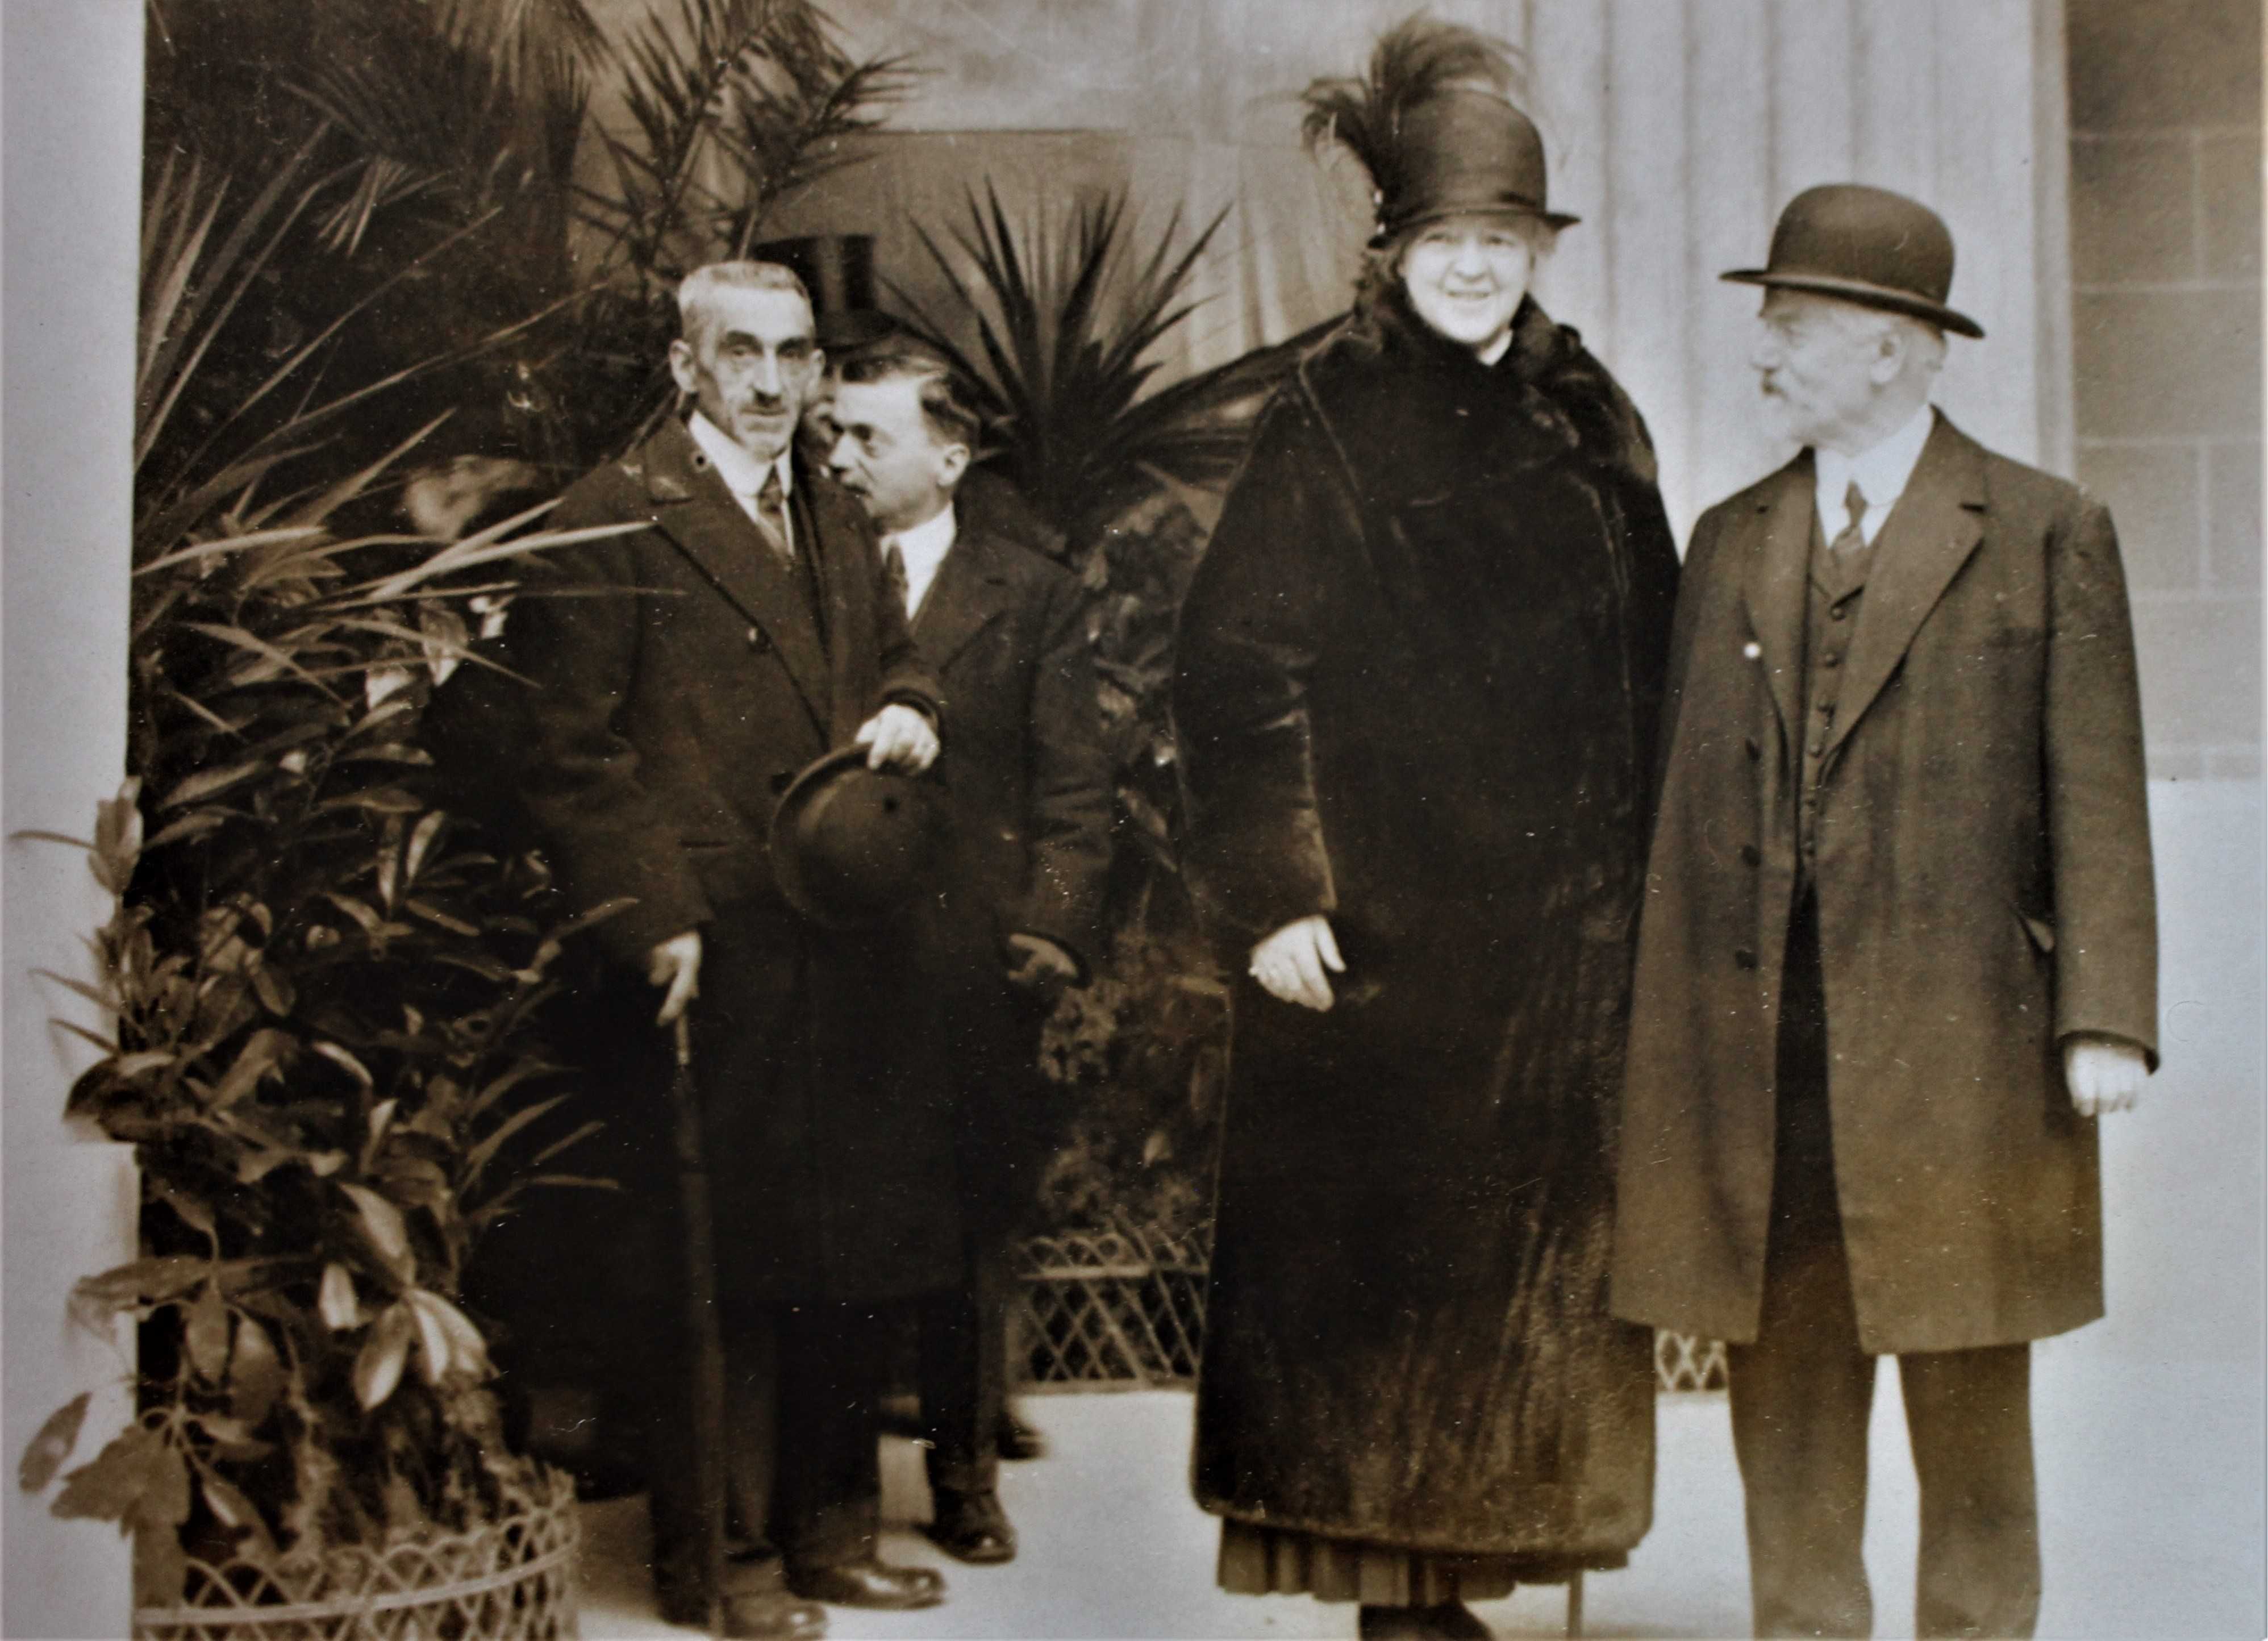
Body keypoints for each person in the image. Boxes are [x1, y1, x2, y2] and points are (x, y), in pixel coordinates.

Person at [1171, 20, 1679, 1641]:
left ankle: (1467, 1582)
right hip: (1383, 959)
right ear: (1392, 256)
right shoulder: (1326, 416)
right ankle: (1399, 1602)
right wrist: (1276, 897)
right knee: (1388, 1311)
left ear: (1539, 256)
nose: (1478, 270)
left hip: (1557, 963)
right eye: (1448, 242)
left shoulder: (1590, 411)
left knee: (1517, 1307)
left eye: (1505, 244)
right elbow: (1235, 672)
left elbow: (1655, 656)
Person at [1610, 184, 2157, 1640]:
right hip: (1764, 1050)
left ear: (1895, 347)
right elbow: (1676, 808)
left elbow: (2096, 787)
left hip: (1962, 1044)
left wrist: (2104, 1014)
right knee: (1784, 1376)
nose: (1763, 357)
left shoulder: (2045, 529)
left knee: (1969, 1366)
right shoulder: (1729, 538)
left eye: (1791, 328)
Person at [505, 261, 955, 1640]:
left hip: (842, 936)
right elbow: (567, 753)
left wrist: (907, 707)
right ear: (684, 366)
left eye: (795, 355)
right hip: (709, 950)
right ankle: (726, 1563)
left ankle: (830, 1534)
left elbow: (900, 656)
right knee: (723, 1272)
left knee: (846, 1247)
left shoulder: (831, 508)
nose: (771, 384)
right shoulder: (610, 518)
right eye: (741, 354)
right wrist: (650, 917)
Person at [825, 336, 1116, 1567]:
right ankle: (827, 1487)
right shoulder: (807, 568)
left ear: (949, 455)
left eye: (866, 438)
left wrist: (1049, 926)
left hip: (966, 964)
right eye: (827, 435)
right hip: (827, 952)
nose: (836, 459)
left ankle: (961, 1472)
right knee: (829, 1221)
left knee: (962, 1229)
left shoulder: (1033, 591)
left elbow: (1077, 787)